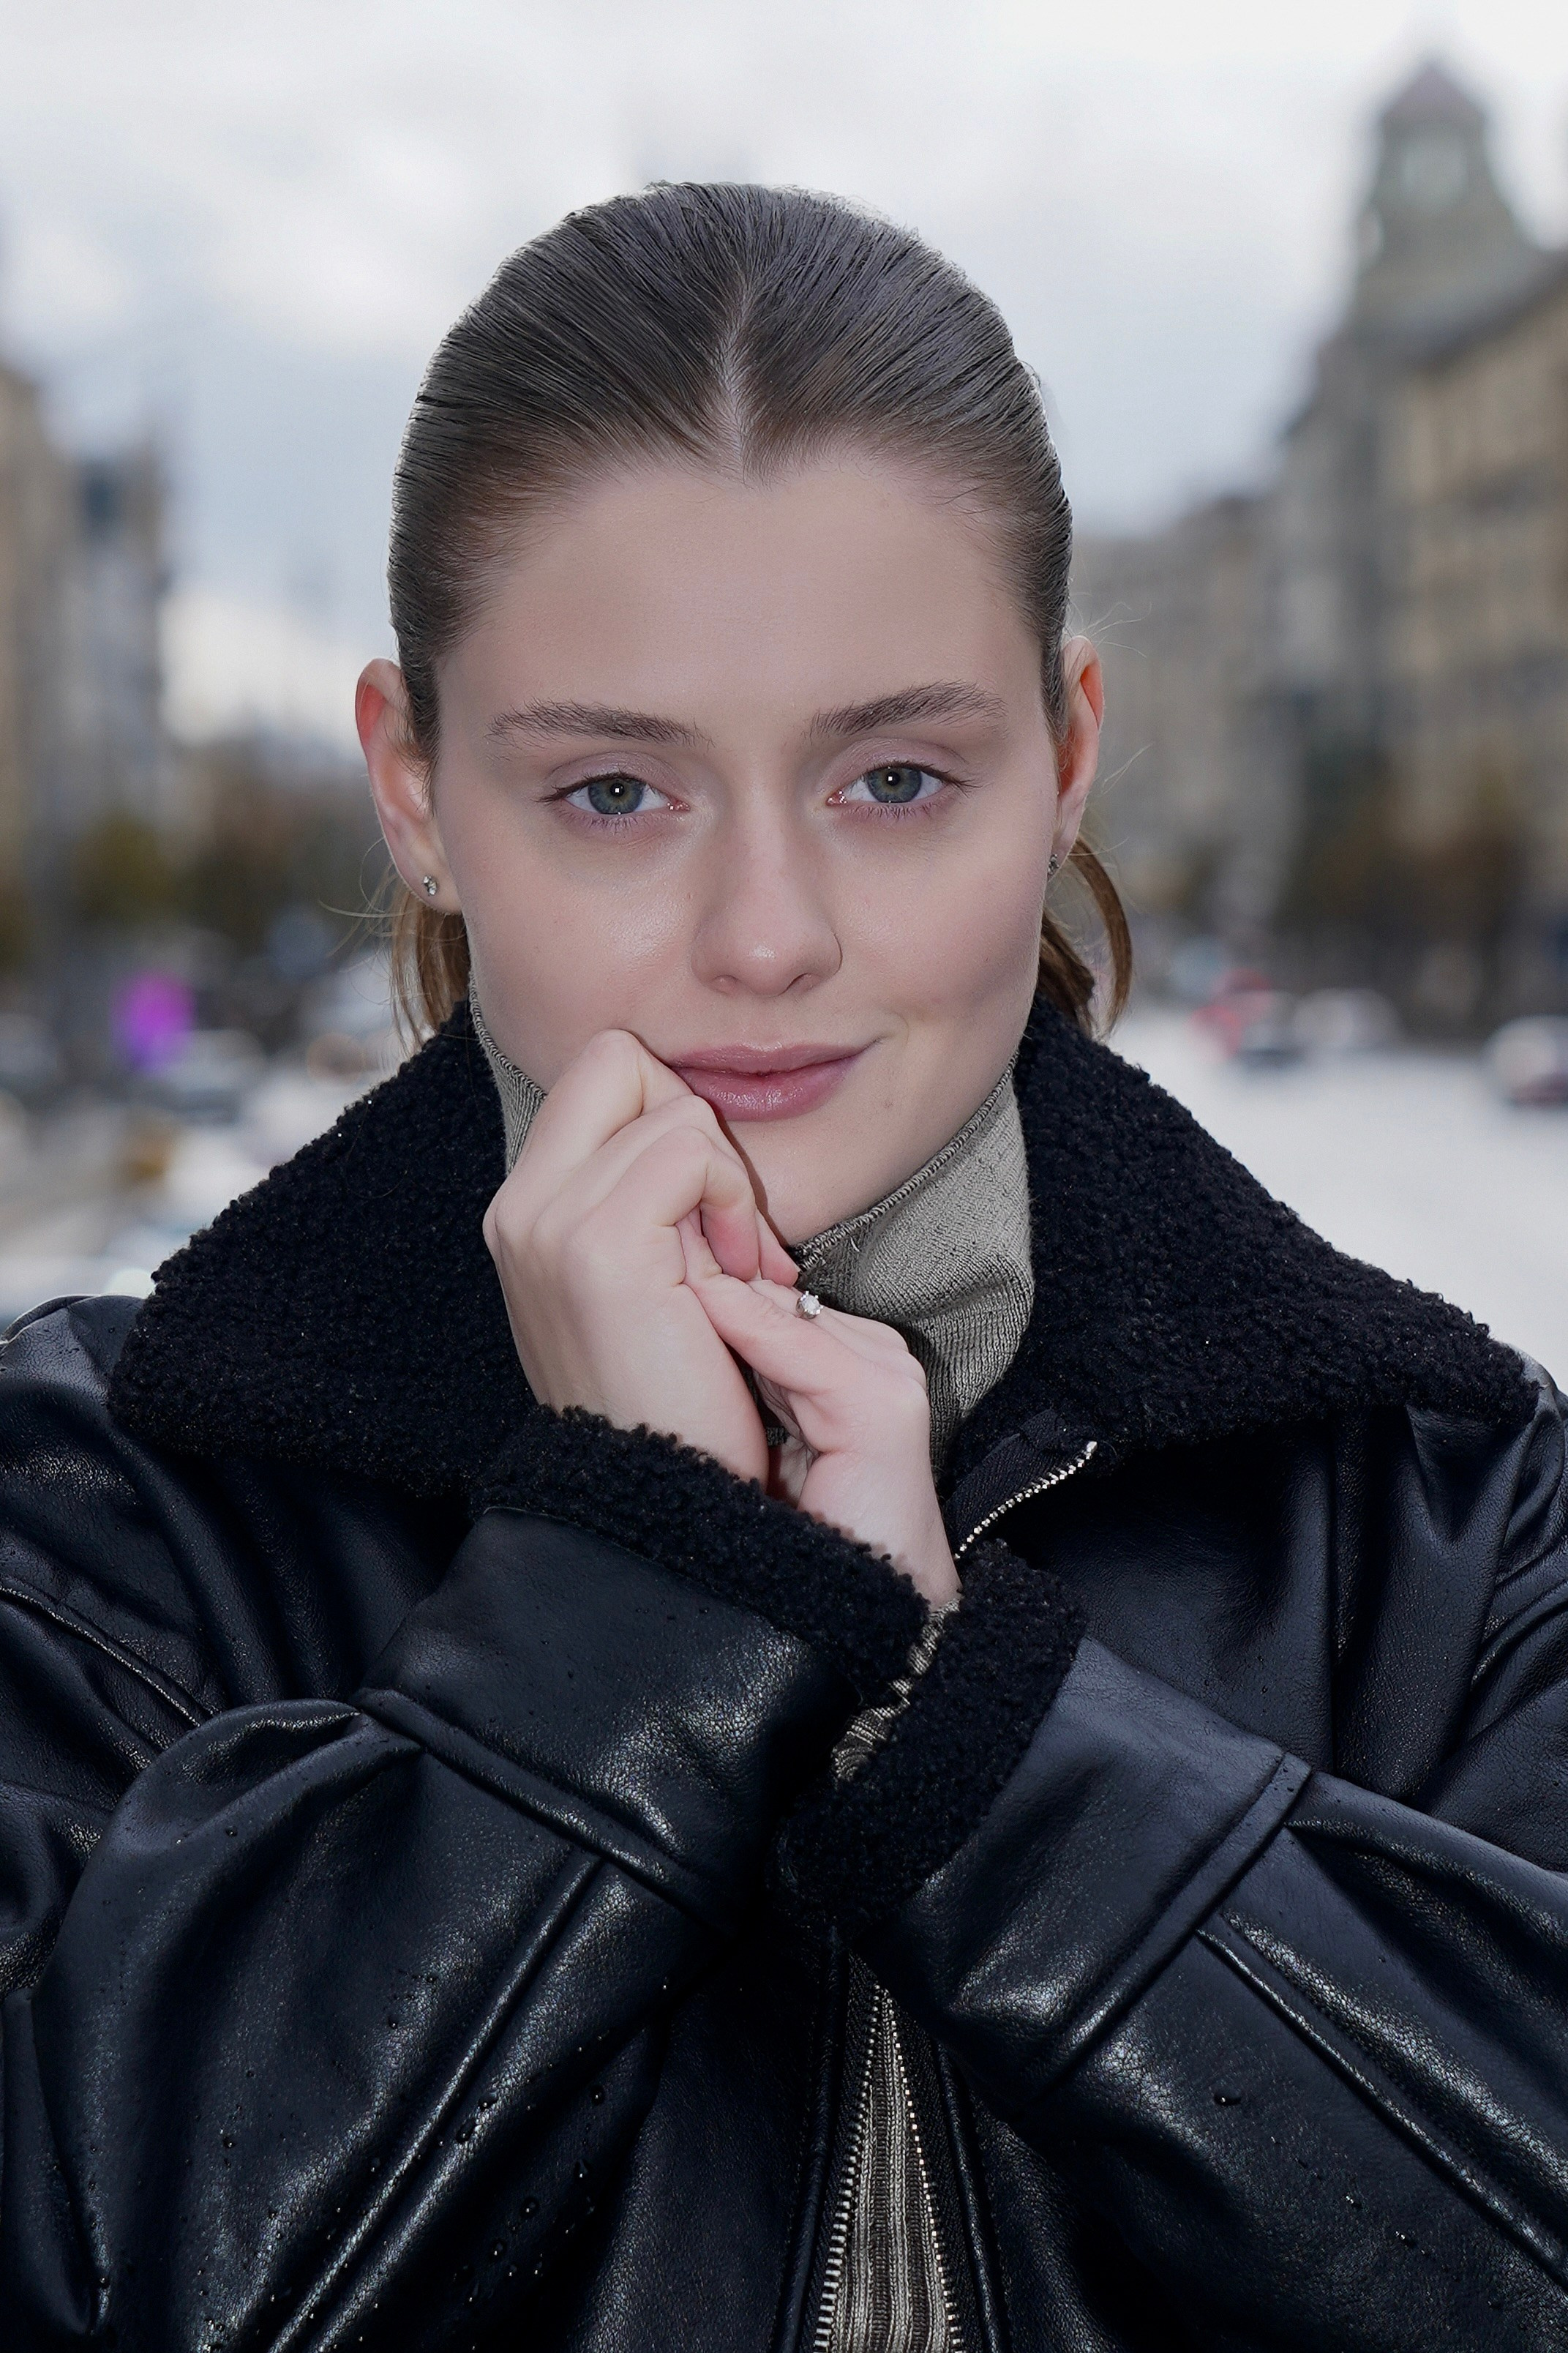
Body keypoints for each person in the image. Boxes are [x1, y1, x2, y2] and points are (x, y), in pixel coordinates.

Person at [1, 185, 1565, 2353]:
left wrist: (979, 1736)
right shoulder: (92, 1525)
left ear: (1070, 753)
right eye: (620, 791)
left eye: (899, 778)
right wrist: (627, 1600)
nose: (767, 936)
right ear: (418, 787)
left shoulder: (1455, 1523)